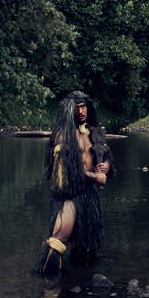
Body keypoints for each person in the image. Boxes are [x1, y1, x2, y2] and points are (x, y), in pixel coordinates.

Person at [33, 91, 114, 276]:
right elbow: (69, 170)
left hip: (90, 195)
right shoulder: (63, 136)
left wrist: (106, 166)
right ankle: (47, 287)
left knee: (86, 242)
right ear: (70, 111)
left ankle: (82, 282)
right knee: (59, 238)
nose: (81, 111)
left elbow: (107, 157)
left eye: (84, 107)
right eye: (77, 108)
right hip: (70, 195)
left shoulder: (94, 132)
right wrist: (96, 177)